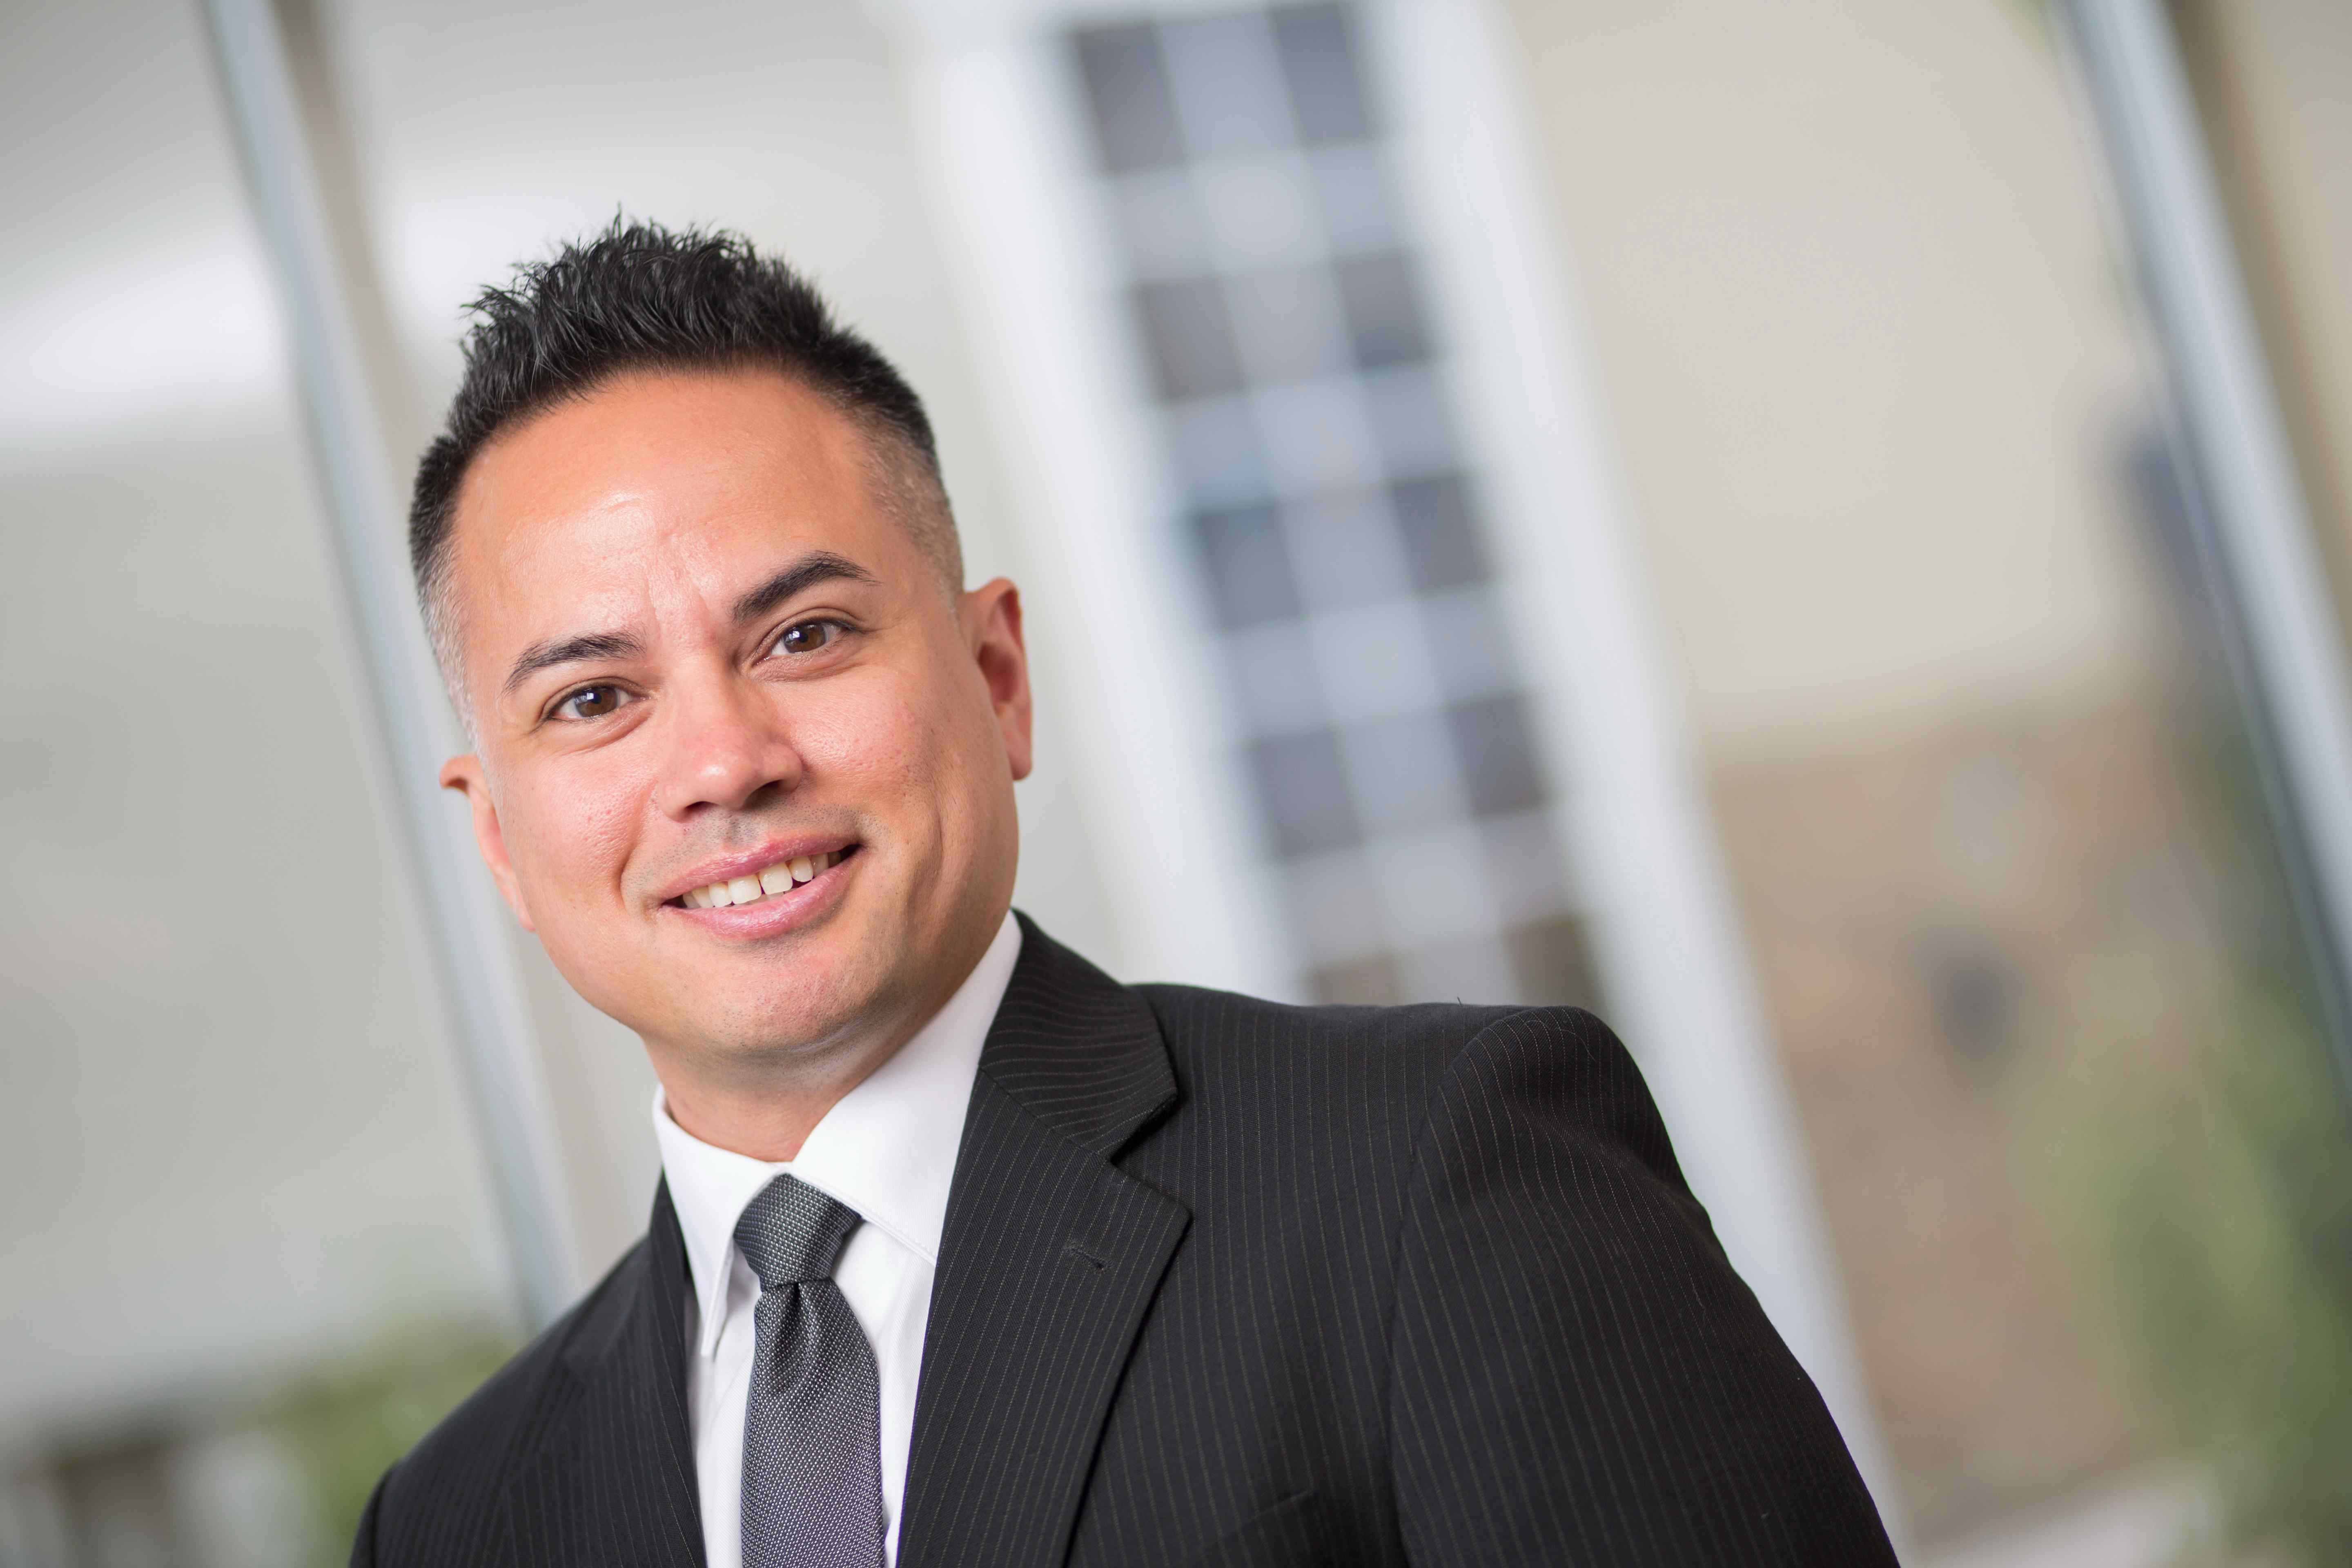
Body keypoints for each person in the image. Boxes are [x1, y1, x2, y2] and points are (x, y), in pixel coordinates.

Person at [352, 218, 1896, 1568]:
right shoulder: (454, 1521)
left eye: (806, 637)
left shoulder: (1436, 1182)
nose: (724, 763)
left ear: (997, 675)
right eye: (594, 700)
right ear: (498, 839)